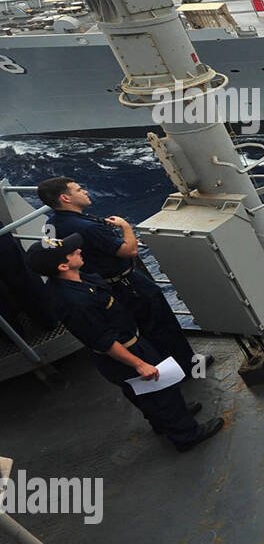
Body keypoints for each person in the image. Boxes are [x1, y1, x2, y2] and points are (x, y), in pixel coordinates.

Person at [28, 235, 223, 452]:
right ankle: (187, 435)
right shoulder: (75, 302)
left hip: (128, 344)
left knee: (143, 394)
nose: (79, 251)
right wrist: (139, 363)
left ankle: (164, 422)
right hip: (125, 352)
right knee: (162, 393)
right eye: (73, 252)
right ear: (63, 265)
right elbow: (104, 341)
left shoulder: (77, 280)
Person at [37, 177, 201, 378]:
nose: (85, 191)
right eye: (79, 189)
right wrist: (125, 226)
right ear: (65, 198)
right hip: (128, 284)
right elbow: (129, 251)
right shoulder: (89, 227)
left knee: (141, 332)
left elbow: (50, 253)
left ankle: (167, 376)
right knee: (164, 326)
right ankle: (192, 370)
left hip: (103, 288)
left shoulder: (50, 225)